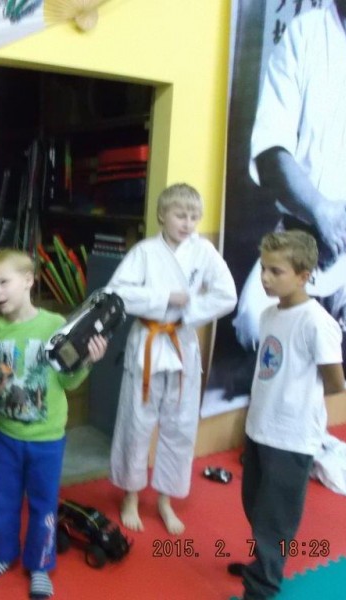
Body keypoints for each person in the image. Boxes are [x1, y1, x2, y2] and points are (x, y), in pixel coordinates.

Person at [232, 0, 346, 381]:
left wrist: (343, 226)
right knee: (254, 324)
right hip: (300, 228)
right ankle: (315, 346)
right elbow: (272, 148)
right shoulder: (303, 35)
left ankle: (325, 344)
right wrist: (320, 211)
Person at [0, 248, 107, 600]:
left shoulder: (55, 326)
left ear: (28, 280)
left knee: (44, 503)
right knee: (2, 501)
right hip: (5, 436)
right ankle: (1, 556)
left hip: (47, 439)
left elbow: (68, 381)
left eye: (3, 282)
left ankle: (41, 565)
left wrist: (87, 361)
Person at [106, 183, 237, 535]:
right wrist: (165, 297)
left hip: (181, 345)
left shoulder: (204, 251)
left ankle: (165, 499)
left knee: (180, 426)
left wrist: (188, 311)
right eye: (180, 215)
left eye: (194, 217)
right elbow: (116, 294)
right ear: (162, 215)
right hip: (147, 344)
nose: (188, 223)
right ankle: (131, 495)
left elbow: (227, 295)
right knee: (136, 423)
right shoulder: (144, 252)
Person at [233, 231, 345, 600]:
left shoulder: (316, 322)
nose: (265, 278)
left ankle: (262, 586)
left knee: (276, 518)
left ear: (303, 275)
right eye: (263, 269)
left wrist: (296, 400)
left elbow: (336, 383)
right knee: (255, 504)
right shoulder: (269, 314)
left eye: (276, 271)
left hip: (292, 435)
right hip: (260, 427)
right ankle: (262, 563)